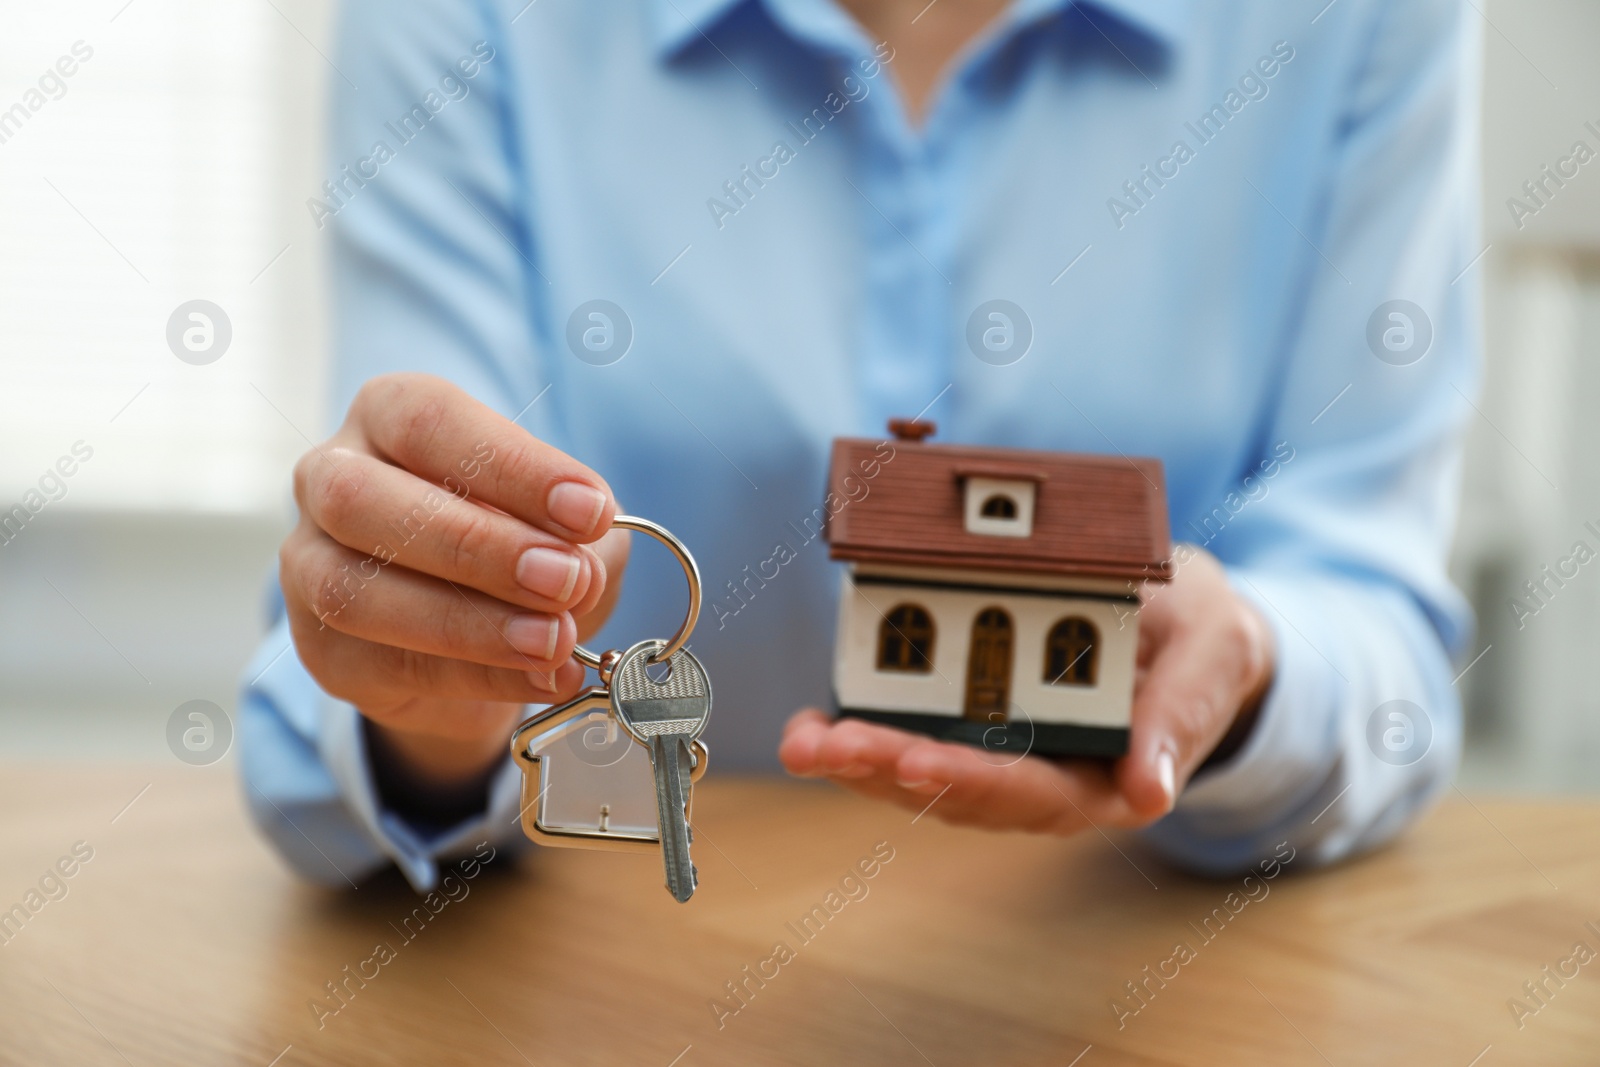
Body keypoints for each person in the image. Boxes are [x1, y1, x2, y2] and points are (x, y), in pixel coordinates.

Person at [240, 0, 1480, 891]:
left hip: (1142, 978)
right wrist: (429, 688)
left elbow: (1380, 646)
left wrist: (1251, 672)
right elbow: (343, 674)